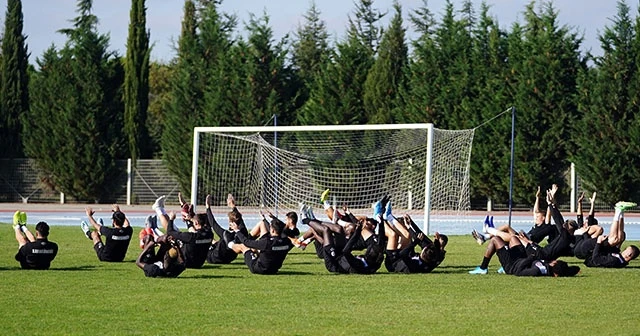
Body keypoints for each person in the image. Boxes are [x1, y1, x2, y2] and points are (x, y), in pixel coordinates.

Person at [301, 202, 385, 274]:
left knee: (326, 230)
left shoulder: (360, 266)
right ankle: (313, 220)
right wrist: (381, 222)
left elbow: (346, 251)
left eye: (369, 251)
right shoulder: (374, 261)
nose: (368, 250)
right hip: (340, 254)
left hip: (334, 262)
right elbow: (380, 242)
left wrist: (357, 233)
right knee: (339, 228)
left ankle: (305, 220)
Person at [151, 195, 213, 269]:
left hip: (185, 262)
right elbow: (196, 230)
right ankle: (159, 210)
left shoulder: (190, 236)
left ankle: (157, 211)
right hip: (198, 264)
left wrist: (171, 219)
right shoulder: (210, 234)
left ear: (196, 223)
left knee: (171, 235)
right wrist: (189, 219)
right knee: (178, 234)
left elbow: (170, 231)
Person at [229, 208, 294, 274]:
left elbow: (246, 242)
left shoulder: (267, 242)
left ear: (272, 230)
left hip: (258, 268)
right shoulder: (286, 241)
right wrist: (264, 219)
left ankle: (229, 246)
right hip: (274, 270)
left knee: (243, 247)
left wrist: (237, 230)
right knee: (262, 224)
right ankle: (255, 250)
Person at [576, 201, 640, 267]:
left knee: (614, 239)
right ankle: (621, 212)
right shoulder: (620, 258)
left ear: (629, 255)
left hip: (586, 249)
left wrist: (599, 242)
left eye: (626, 250)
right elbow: (615, 247)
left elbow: (596, 259)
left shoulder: (615, 261)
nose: (623, 250)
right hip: (593, 248)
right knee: (620, 238)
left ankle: (618, 211)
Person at [205, 194, 248, 264]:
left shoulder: (225, 234)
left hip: (214, 258)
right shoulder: (243, 232)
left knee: (205, 242)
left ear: (230, 223)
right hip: (229, 259)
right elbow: (240, 221)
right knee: (217, 242)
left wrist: (208, 207)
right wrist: (233, 207)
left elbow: (213, 223)